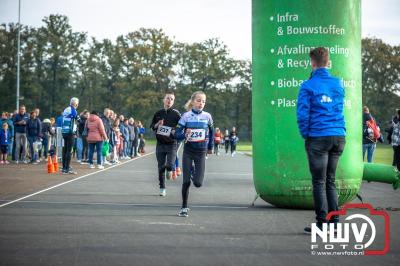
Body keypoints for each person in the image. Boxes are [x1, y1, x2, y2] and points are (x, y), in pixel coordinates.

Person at [296, 47, 346, 233]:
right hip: (339, 136)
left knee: (319, 181)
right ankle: (334, 223)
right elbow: (338, 108)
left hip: (318, 136)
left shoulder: (307, 86)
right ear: (328, 62)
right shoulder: (338, 84)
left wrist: (306, 134)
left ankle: (322, 223)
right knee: (330, 180)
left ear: (312, 62)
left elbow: (302, 114)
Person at [175, 91, 214, 217]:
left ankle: (193, 173)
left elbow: (212, 132)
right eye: (198, 100)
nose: (201, 103)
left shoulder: (207, 116)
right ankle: (184, 207)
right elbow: (176, 134)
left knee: (198, 183)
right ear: (192, 102)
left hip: (201, 152)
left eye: (203, 101)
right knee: (186, 182)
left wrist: (210, 147)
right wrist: (184, 134)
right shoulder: (186, 116)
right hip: (188, 152)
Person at [150, 92, 181, 196]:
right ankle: (162, 187)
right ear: (164, 100)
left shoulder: (176, 114)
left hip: (172, 143)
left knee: (170, 165)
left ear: (173, 101)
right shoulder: (158, 113)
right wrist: (157, 124)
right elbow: (152, 127)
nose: (169, 101)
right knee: (160, 166)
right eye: (168, 98)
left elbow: (181, 127)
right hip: (160, 144)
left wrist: (174, 131)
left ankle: (170, 169)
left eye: (172, 99)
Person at [61, 97, 80, 174]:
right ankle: (66, 168)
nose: (77, 105)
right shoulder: (73, 110)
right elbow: (78, 119)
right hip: (70, 132)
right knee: (69, 150)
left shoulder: (66, 109)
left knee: (65, 150)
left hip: (64, 131)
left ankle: (64, 167)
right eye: (77, 104)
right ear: (75, 104)